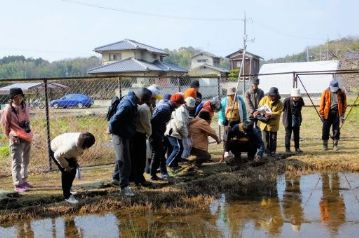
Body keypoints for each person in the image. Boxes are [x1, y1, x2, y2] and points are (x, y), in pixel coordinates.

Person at [109, 88, 152, 196]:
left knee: (122, 158)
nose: (144, 103)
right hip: (120, 135)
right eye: (145, 100)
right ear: (141, 99)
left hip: (125, 133)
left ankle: (116, 179)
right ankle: (124, 187)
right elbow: (115, 118)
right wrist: (110, 129)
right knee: (125, 161)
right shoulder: (128, 104)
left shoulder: (131, 101)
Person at [1, 88, 33, 193]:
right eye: (16, 97)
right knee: (17, 162)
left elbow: (27, 120)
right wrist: (9, 135)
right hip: (16, 138)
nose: (18, 99)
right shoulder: (8, 109)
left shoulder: (26, 106)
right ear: (12, 98)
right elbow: (5, 124)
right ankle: (17, 184)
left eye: (20, 96)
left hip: (27, 136)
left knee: (26, 160)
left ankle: (23, 180)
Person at [50, 132, 95, 204]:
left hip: (64, 150)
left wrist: (75, 161)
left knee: (73, 170)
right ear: (85, 144)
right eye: (88, 146)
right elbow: (57, 155)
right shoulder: (70, 147)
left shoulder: (81, 140)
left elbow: (75, 152)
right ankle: (67, 196)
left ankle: (68, 190)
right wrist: (66, 166)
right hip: (55, 150)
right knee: (67, 173)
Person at [150, 93, 185, 180]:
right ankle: (153, 175)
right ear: (176, 103)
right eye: (180, 104)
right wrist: (159, 135)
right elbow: (154, 122)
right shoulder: (165, 110)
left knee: (161, 154)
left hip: (159, 133)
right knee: (158, 154)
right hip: (156, 134)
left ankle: (163, 173)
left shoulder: (166, 106)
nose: (180, 106)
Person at [165, 96, 195, 170]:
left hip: (176, 132)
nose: (191, 109)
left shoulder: (185, 110)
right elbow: (181, 125)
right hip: (174, 131)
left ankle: (174, 164)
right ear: (185, 104)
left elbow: (185, 121)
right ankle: (168, 164)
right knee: (178, 148)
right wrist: (186, 134)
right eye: (190, 107)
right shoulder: (181, 111)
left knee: (175, 149)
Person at [130, 89, 152, 187]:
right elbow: (146, 124)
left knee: (134, 158)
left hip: (134, 135)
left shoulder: (140, 106)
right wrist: (149, 133)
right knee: (140, 158)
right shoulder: (145, 109)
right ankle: (139, 179)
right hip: (140, 135)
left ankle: (134, 178)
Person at [218, 87, 247, 159]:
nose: (232, 96)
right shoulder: (224, 101)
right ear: (228, 95)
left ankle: (237, 153)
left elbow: (244, 110)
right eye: (230, 95)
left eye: (233, 95)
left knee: (238, 137)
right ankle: (226, 152)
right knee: (227, 137)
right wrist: (223, 121)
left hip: (238, 121)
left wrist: (244, 120)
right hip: (228, 122)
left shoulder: (240, 100)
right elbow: (221, 112)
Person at [255, 87, 283, 157]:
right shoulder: (264, 99)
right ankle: (266, 152)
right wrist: (260, 112)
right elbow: (260, 106)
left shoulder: (280, 103)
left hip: (273, 124)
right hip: (264, 123)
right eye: (271, 95)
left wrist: (271, 114)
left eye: (274, 96)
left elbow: (279, 112)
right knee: (265, 139)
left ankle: (273, 152)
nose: (272, 97)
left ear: (276, 95)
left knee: (273, 138)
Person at [319, 79, 347, 151]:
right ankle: (325, 145)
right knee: (325, 129)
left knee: (336, 130)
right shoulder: (325, 91)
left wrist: (342, 114)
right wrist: (321, 114)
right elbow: (322, 104)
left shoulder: (341, 92)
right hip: (327, 113)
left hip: (337, 113)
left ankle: (335, 145)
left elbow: (344, 104)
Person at [282, 88, 305, 153]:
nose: (296, 98)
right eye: (294, 97)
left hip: (296, 119)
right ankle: (287, 149)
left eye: (297, 97)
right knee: (288, 134)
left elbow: (301, 108)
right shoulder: (286, 100)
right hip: (288, 119)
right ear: (291, 96)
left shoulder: (300, 100)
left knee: (297, 134)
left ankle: (297, 148)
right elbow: (282, 109)